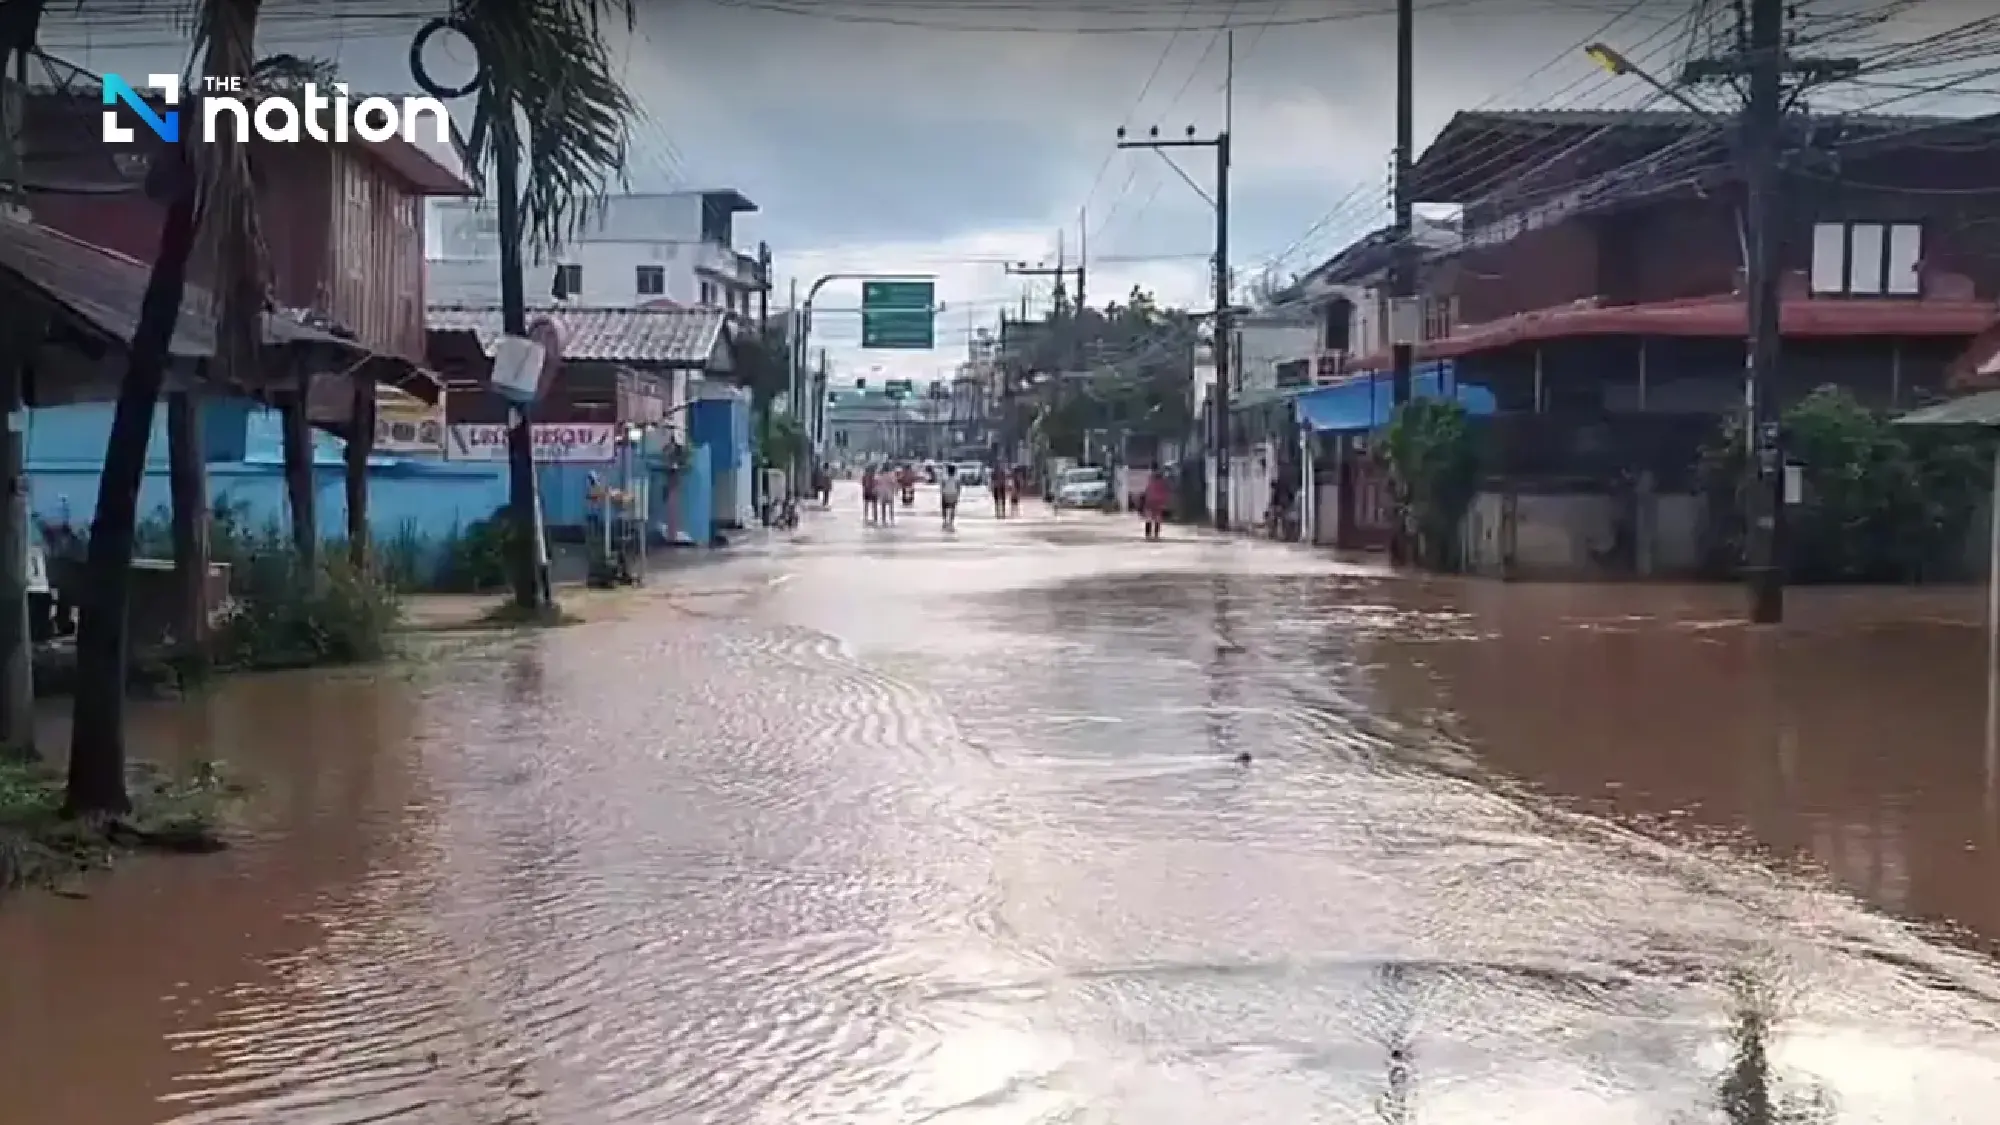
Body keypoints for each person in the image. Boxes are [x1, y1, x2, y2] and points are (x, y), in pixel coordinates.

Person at [1142, 465, 1171, 540]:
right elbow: (1165, 493)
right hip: (1159, 502)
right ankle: (1156, 535)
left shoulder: (1150, 481)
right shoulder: (1163, 482)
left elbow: (1147, 491)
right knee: (1157, 518)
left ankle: (1148, 535)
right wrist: (1165, 502)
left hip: (1150, 501)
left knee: (1149, 518)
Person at [939, 464, 962, 530]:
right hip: (953, 494)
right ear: (954, 471)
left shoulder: (944, 477)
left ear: (948, 470)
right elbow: (958, 487)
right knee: (953, 508)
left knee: (944, 508)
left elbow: (942, 487)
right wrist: (958, 495)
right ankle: (951, 522)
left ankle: (945, 521)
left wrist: (942, 493)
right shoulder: (957, 478)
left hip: (945, 494)